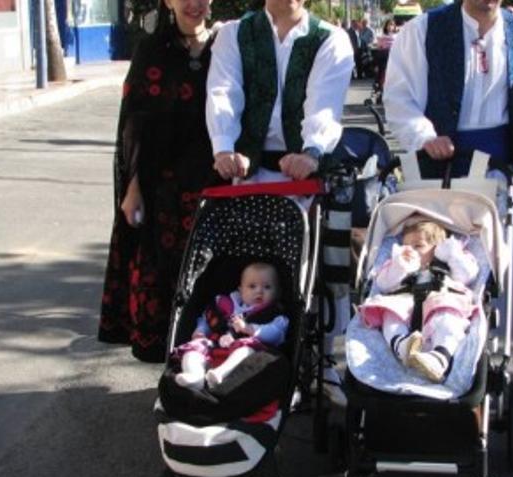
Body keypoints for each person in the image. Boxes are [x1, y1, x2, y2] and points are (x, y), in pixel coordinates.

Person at [205, 0, 354, 404]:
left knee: (314, 270)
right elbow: (224, 89)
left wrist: (311, 150)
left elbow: (323, 103)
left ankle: (321, 363)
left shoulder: (330, 39)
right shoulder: (236, 33)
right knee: (250, 265)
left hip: (304, 175)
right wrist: (223, 146)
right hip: (249, 172)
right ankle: (231, 350)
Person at [382, 0, 513, 337]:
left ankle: (482, 353)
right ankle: (426, 337)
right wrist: (424, 135)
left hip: (497, 171)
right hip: (437, 169)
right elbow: (399, 98)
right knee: (434, 258)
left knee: (486, 268)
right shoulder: (423, 29)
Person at [98, 0, 219, 362]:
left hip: (214, 186)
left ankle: (207, 366)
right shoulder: (151, 50)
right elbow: (133, 124)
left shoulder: (227, 47)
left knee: (211, 277)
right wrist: (132, 187)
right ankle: (169, 372)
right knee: (162, 276)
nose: (194, 5)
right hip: (161, 188)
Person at [358, 219, 480, 382]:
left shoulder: (449, 262)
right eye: (406, 246)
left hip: (439, 302)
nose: (410, 250)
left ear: (438, 247)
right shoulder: (399, 265)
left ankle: (439, 357)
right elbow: (382, 284)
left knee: (449, 320)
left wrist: (452, 253)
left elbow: (468, 274)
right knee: (390, 313)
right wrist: (399, 266)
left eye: (418, 246)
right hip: (406, 304)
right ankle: (402, 346)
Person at [173, 262, 290, 390]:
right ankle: (195, 376)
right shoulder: (225, 305)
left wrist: (251, 329)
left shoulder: (274, 314)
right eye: (252, 286)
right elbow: (206, 318)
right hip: (213, 347)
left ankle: (221, 373)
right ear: (241, 290)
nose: (259, 291)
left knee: (246, 349)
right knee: (192, 350)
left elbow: (276, 333)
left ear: (278, 292)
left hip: (243, 359)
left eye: (267, 287)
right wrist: (201, 330)